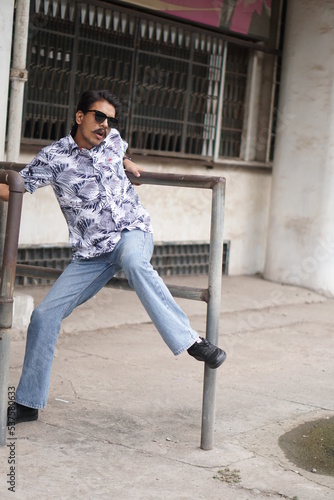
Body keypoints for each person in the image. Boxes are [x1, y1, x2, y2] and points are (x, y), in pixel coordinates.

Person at [0, 90, 226, 425]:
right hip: (92, 253)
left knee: (135, 262)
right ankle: (30, 403)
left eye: (111, 120)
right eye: (98, 117)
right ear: (80, 117)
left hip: (131, 233)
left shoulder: (114, 141)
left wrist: (125, 161)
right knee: (44, 315)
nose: (105, 125)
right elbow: (18, 187)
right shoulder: (54, 157)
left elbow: (117, 152)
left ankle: (191, 341)